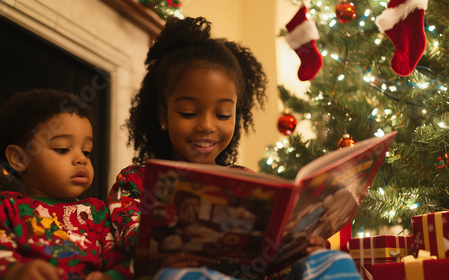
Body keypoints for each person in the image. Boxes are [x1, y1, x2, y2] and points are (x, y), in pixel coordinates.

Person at [108, 17, 359, 279]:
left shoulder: (248, 182)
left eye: (223, 115)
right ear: (163, 116)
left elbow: (275, 255)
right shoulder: (135, 181)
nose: (206, 125)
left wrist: (305, 247)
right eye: (188, 112)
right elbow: (130, 236)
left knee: (330, 259)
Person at [0, 89, 131, 280]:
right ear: (20, 158)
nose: (81, 159)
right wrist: (14, 272)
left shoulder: (98, 213)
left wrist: (109, 276)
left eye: (86, 151)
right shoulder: (8, 209)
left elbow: (124, 261)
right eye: (62, 149)